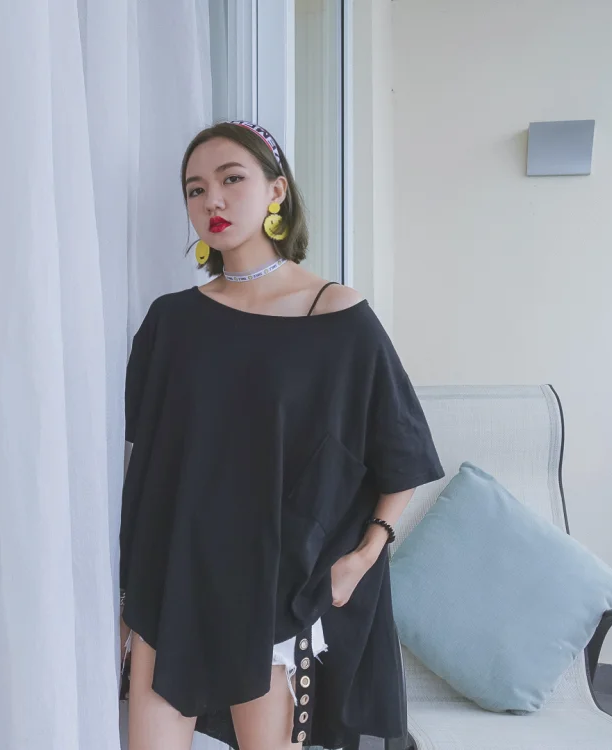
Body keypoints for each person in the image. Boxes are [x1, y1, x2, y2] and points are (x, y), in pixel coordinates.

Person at [119, 120, 445, 750]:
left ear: (276, 191)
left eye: (231, 179)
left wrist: (361, 558)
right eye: (195, 189)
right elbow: (145, 465)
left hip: (274, 590)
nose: (212, 200)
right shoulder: (171, 322)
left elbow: (399, 453)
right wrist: (127, 594)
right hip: (173, 582)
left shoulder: (336, 315)